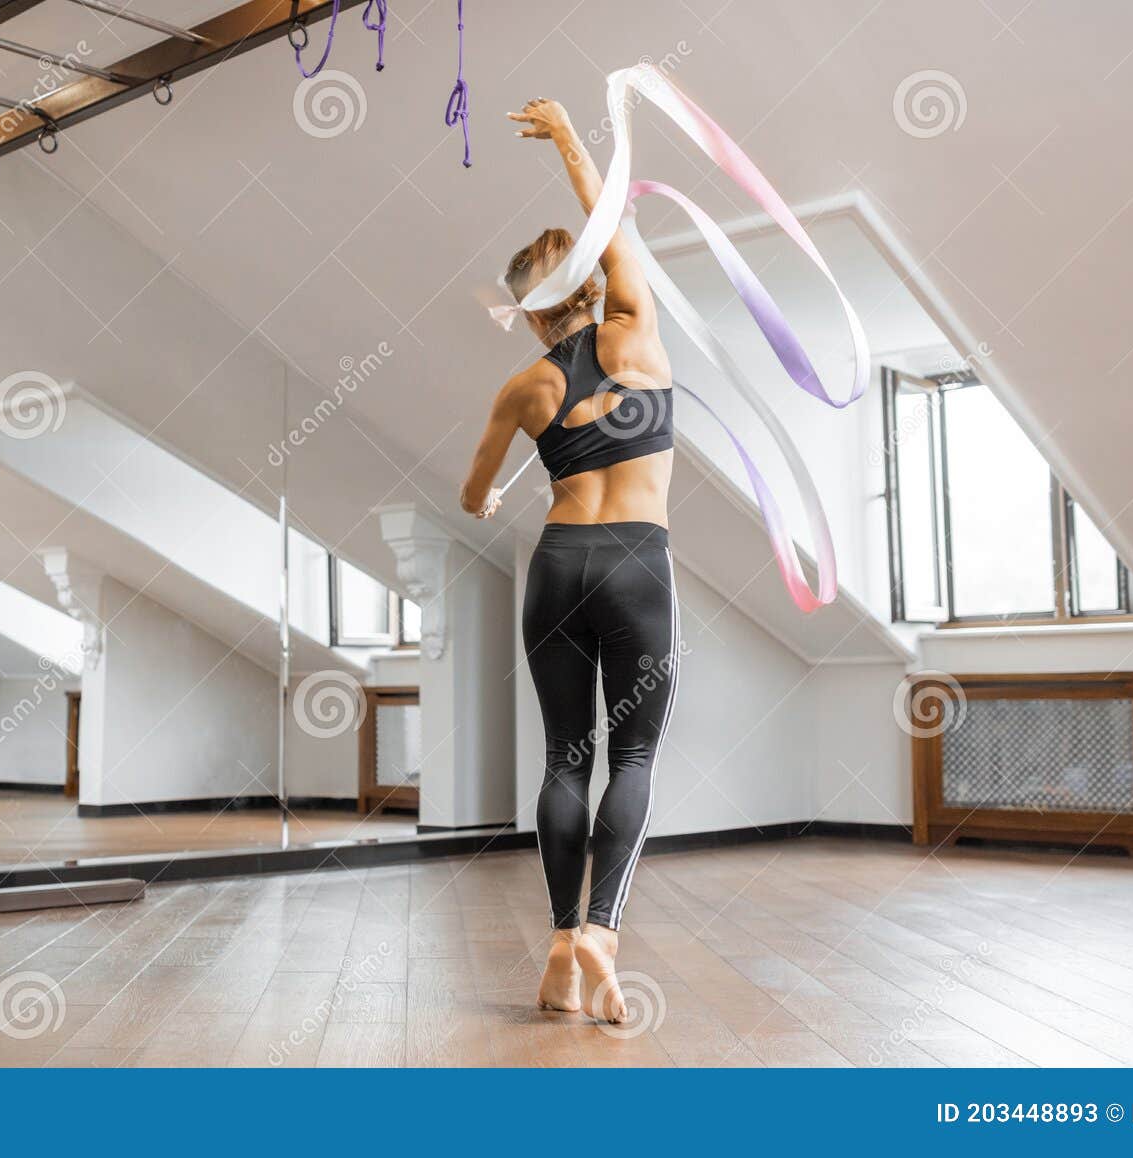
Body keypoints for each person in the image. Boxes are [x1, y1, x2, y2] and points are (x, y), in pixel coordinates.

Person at [459, 98, 679, 1023]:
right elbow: (614, 221)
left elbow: (472, 494)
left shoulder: (524, 385)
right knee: (632, 754)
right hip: (636, 564)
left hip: (555, 564)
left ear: (528, 311)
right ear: (591, 283)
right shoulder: (634, 330)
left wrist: (497, 498)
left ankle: (557, 942)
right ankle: (601, 932)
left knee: (564, 758)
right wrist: (566, 140)